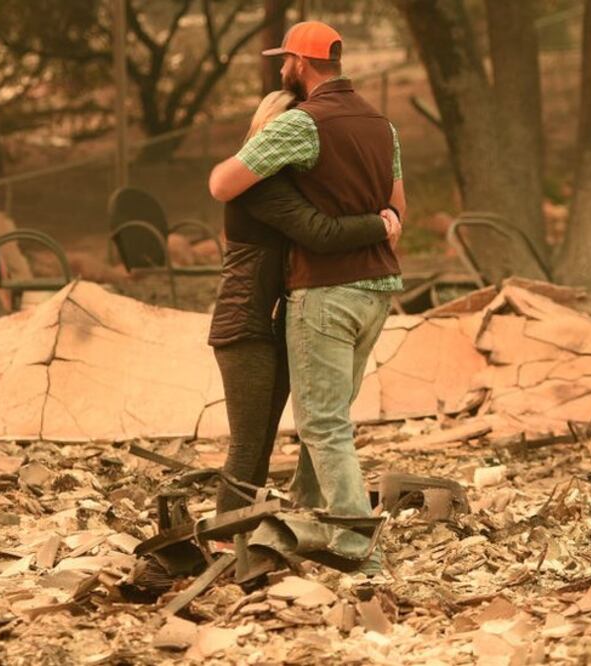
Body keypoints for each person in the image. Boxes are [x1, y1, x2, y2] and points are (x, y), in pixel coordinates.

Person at [208, 21, 405, 575]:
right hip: (377, 290)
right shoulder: (382, 124)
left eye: (285, 59)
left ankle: (356, 544)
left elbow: (222, 183)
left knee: (321, 424)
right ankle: (307, 516)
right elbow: (398, 209)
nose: (280, 68)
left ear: (301, 62)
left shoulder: (303, 123)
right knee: (328, 418)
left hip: (326, 291)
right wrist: (382, 222)